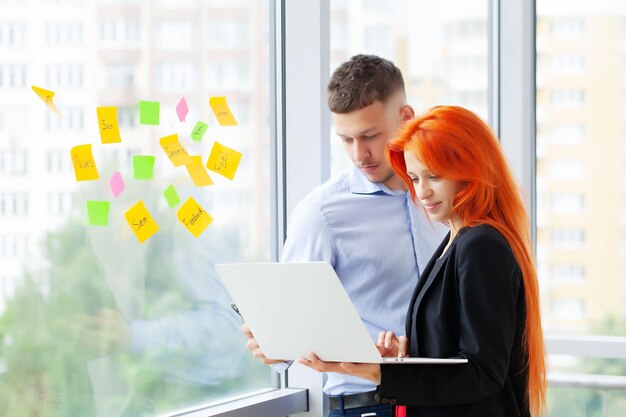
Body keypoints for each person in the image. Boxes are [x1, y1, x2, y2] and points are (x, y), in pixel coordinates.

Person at [298, 106, 547, 417]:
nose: (422, 191)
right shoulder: (456, 238)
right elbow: (455, 348)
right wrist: (407, 354)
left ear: (471, 170)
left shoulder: (481, 244)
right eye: (415, 178)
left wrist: (380, 373)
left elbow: (482, 372)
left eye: (435, 176)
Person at [243, 55, 447, 417]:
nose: (359, 154)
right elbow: (288, 331)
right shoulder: (321, 213)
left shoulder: (446, 198)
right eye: (346, 139)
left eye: (370, 136)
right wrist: (274, 345)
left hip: (447, 399)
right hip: (366, 406)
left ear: (406, 119)